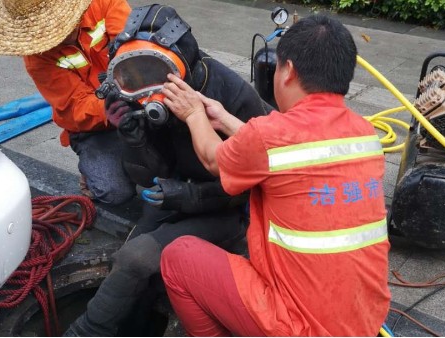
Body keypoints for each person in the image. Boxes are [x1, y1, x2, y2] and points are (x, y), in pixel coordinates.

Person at [160, 14, 391, 336]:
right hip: (364, 320)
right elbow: (287, 157)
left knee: (178, 256)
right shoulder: (364, 134)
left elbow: (215, 160)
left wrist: (193, 113)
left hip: (299, 326)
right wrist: (225, 120)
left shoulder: (270, 136)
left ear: (288, 71)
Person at [64, 5, 271, 336]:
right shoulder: (140, 96)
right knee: (128, 263)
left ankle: (85, 330)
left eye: (158, 74)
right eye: (132, 77)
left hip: (226, 211)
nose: (149, 90)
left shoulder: (231, 96)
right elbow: (148, 178)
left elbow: (252, 186)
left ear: (183, 67)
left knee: (134, 258)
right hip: (171, 198)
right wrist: (134, 143)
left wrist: (190, 196)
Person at [0, 0, 135, 205]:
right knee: (114, 191)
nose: (59, 37)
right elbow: (74, 106)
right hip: (91, 126)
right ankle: (94, 168)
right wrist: (108, 109)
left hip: (135, 94)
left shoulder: (105, 4)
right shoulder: (37, 58)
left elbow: (134, 49)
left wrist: (134, 91)